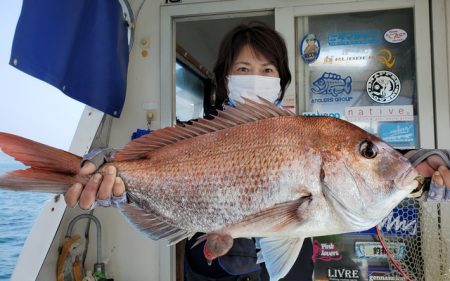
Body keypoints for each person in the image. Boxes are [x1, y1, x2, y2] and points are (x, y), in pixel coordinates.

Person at [64, 22, 450, 281]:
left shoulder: (309, 132)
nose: (256, 77)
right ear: (225, 78)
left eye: (267, 71)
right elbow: (138, 153)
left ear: (281, 82)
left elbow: (375, 159)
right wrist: (103, 168)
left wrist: (424, 163)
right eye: (244, 67)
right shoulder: (192, 136)